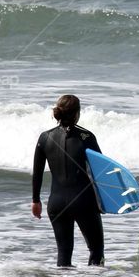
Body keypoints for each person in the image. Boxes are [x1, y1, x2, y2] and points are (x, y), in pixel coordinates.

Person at [31, 94, 105, 267]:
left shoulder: (45, 137)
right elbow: (101, 170)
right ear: (77, 113)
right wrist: (107, 201)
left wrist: (35, 200)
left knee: (63, 254)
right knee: (96, 251)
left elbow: (37, 172)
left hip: (56, 203)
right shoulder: (87, 137)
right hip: (83, 201)